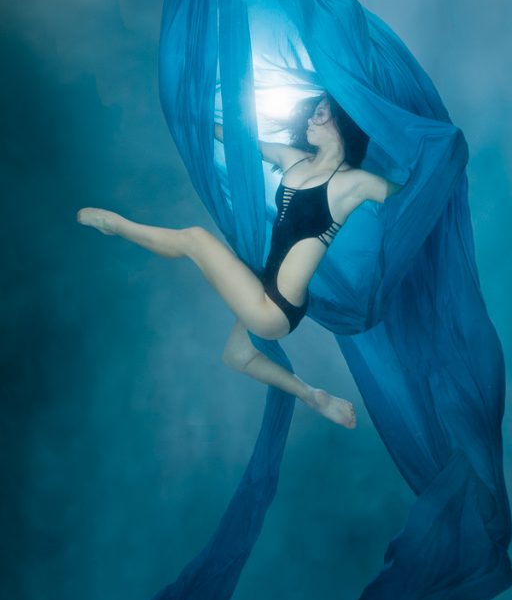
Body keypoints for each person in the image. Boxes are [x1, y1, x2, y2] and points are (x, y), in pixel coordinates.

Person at [78, 92, 399, 429]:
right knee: (237, 357)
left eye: (321, 113)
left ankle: (118, 226)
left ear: (344, 123)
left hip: (275, 307)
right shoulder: (295, 159)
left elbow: (413, 196)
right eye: (312, 112)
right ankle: (312, 395)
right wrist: (195, 119)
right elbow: (241, 143)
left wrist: (442, 161)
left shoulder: (355, 183)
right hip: (265, 284)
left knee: (195, 240)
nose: (310, 119)